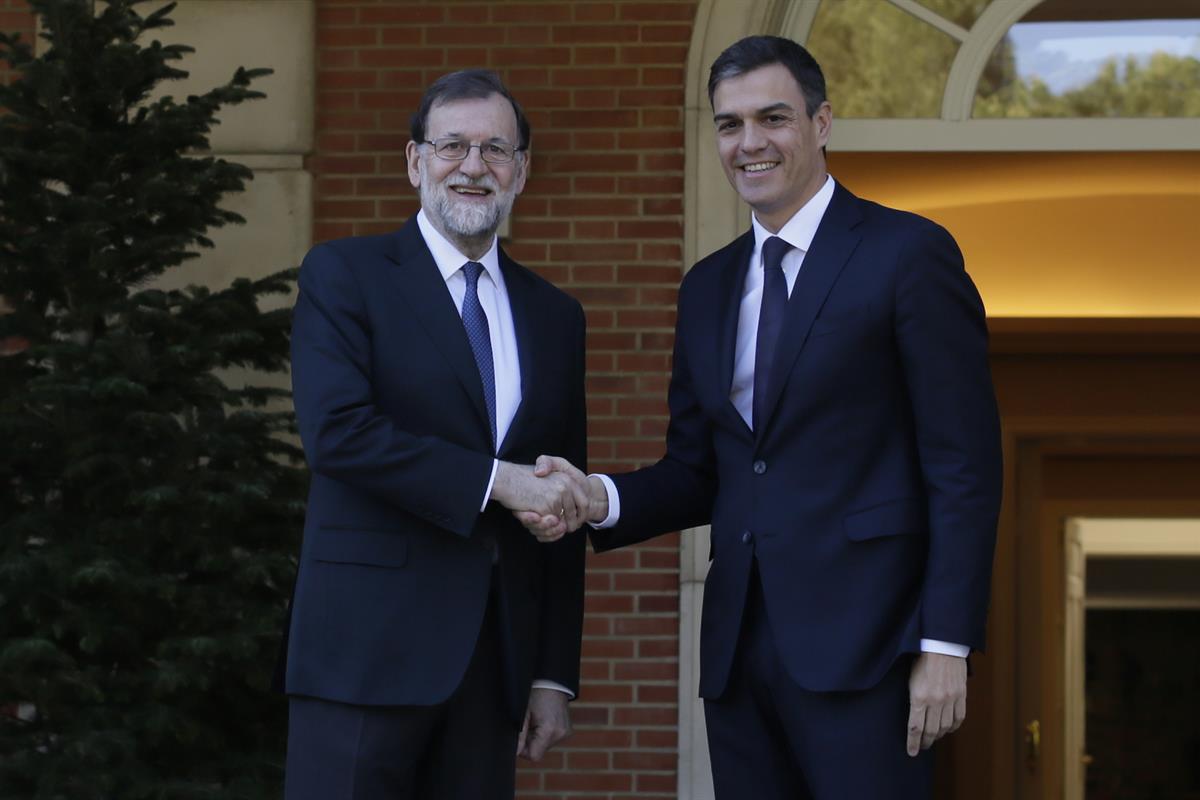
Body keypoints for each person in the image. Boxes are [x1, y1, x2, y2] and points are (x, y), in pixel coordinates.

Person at [523, 36, 1002, 799]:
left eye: (772, 118)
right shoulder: (708, 286)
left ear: (821, 123)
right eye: (729, 124)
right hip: (741, 656)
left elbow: (963, 465)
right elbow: (698, 470)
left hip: (871, 648)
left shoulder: (908, 254)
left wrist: (945, 642)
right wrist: (595, 498)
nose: (750, 143)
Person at [282, 69, 589, 800]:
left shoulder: (555, 315)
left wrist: (553, 672)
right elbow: (339, 434)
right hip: (362, 654)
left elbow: (562, 490)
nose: (474, 167)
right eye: (452, 146)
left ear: (522, 170)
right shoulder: (345, 275)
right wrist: (498, 480)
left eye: (496, 149)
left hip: (491, 664)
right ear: (416, 162)